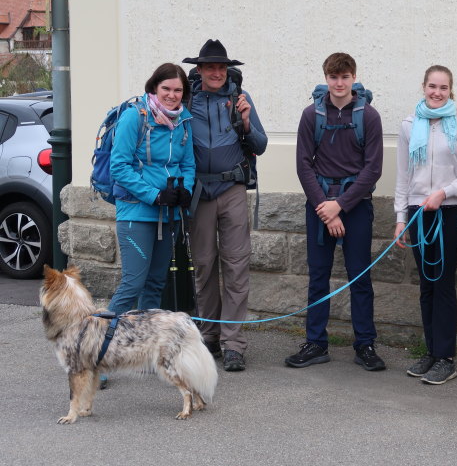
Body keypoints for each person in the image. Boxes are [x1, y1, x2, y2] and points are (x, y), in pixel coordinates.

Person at [285, 52, 385, 371]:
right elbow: (303, 165)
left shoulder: (368, 116)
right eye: (333, 77)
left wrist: (340, 206)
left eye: (345, 77)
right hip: (319, 204)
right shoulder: (310, 115)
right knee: (318, 276)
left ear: (354, 77)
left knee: (360, 277)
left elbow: (373, 169)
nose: (339, 83)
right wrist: (325, 210)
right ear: (325, 78)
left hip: (355, 206)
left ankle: (365, 344)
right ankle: (315, 342)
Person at [104, 63, 196, 388]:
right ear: (154, 88)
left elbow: (187, 162)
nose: (172, 96)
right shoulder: (135, 117)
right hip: (135, 213)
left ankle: (144, 353)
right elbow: (119, 166)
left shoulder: (183, 121)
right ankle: (98, 356)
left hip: (167, 216)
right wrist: (155, 194)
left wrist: (183, 189)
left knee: (155, 285)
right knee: (132, 284)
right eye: (166, 89)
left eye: (178, 90)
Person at [394, 65, 457, 385]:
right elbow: (403, 176)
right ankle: (431, 351)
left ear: (451, 90)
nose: (437, 92)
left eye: (443, 87)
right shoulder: (409, 125)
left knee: (442, 282)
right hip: (419, 211)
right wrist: (401, 218)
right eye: (432, 86)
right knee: (426, 283)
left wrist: (444, 193)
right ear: (424, 87)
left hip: (450, 212)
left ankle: (446, 357)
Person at [182, 40, 267, 372]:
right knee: (203, 265)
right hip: (199, 192)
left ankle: (233, 343)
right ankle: (209, 334)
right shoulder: (187, 100)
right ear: (200, 70)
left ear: (226, 70)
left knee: (236, 265)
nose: (216, 72)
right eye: (210, 67)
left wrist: (246, 121)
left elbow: (260, 143)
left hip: (232, 188)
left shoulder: (239, 99)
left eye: (221, 67)